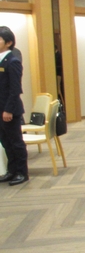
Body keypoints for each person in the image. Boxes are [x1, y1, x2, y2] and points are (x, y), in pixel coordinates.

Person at [0, 26, 29, 186]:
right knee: (6, 142)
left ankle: (21, 172)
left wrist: (8, 109)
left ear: (9, 42)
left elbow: (15, 89)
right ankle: (12, 170)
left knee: (16, 142)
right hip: (0, 109)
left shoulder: (13, 61)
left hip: (9, 110)